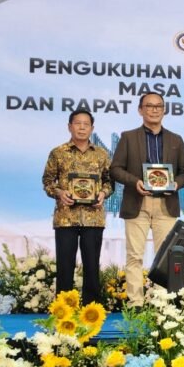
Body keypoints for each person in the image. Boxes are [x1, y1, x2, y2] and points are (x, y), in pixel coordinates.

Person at [110, 92, 184, 305]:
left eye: (158, 106)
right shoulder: (128, 137)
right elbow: (115, 169)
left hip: (166, 204)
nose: (154, 110)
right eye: (149, 106)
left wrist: (176, 184)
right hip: (137, 202)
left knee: (165, 258)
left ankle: (160, 304)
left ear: (164, 110)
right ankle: (135, 303)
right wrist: (135, 181)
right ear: (140, 110)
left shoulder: (176, 139)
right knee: (134, 255)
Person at [42, 110, 112, 304]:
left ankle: (92, 311)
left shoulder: (101, 154)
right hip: (66, 218)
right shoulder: (58, 152)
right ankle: (63, 310)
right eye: (77, 123)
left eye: (86, 124)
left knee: (92, 267)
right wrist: (59, 193)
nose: (82, 127)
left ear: (92, 128)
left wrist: (103, 193)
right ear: (69, 126)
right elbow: (47, 181)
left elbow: (109, 182)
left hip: (93, 218)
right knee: (65, 267)